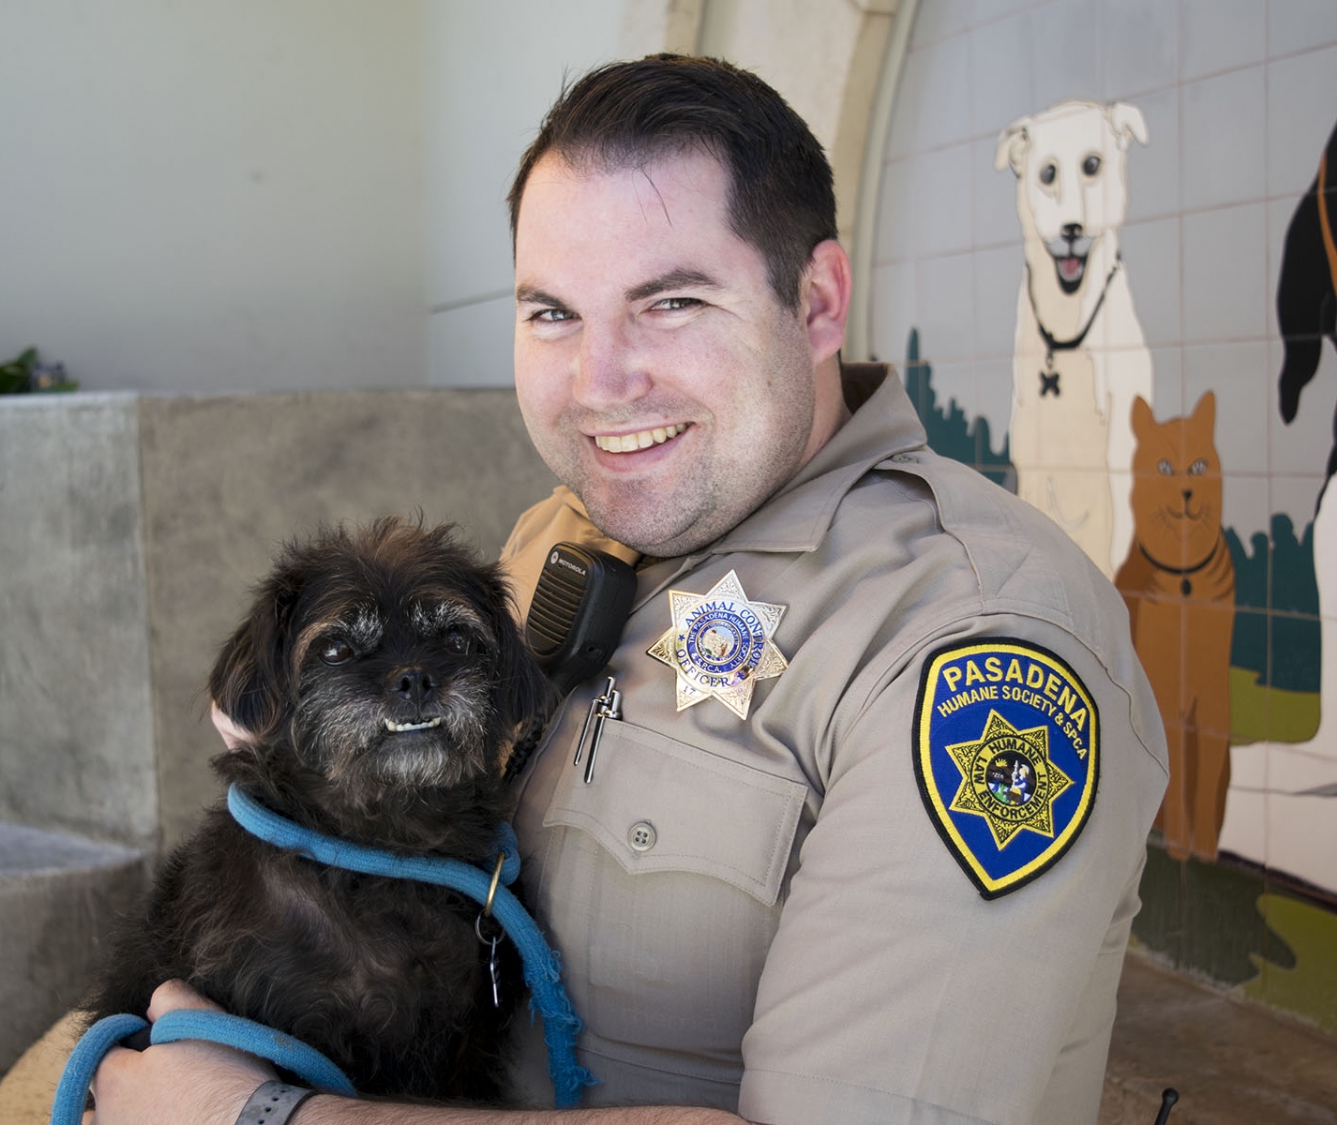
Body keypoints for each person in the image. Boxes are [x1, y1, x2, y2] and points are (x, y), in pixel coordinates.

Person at [86, 55, 1166, 1125]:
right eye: (552, 312)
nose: (599, 385)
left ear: (820, 300)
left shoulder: (970, 646)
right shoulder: (560, 537)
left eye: (673, 301)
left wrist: (261, 1119)